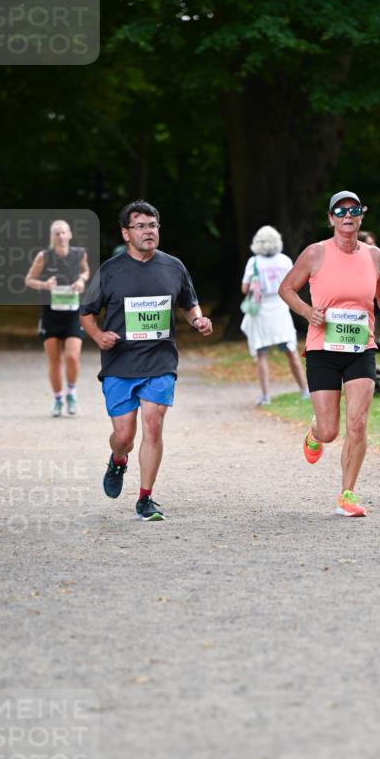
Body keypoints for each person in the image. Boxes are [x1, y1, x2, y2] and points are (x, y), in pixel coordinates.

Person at [79, 200, 213, 521]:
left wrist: (198, 319)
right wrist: (98, 336)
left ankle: (145, 498)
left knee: (153, 426)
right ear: (126, 233)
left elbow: (189, 304)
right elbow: (86, 313)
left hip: (160, 361)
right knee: (124, 436)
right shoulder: (110, 271)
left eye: (152, 226)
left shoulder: (173, 267)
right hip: (120, 364)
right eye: (140, 226)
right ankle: (118, 459)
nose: (148, 231)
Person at [278, 190, 380, 517]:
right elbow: (286, 288)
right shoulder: (316, 253)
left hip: (361, 348)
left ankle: (347, 494)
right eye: (340, 211)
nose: (347, 216)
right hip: (323, 349)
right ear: (331, 218)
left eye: (353, 210)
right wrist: (307, 312)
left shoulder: (375, 256)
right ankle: (315, 432)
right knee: (330, 430)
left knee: (357, 423)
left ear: (361, 216)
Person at [25, 220, 90, 416]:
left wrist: (81, 280)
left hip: (73, 315)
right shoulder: (44, 256)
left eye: (63, 232)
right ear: (52, 237)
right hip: (50, 315)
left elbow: (85, 271)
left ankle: (71, 393)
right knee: (54, 361)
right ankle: (58, 399)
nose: (60, 236)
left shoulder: (79, 254)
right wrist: (45, 285)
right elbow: (29, 280)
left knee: (72, 357)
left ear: (70, 235)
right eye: (56, 233)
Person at [240, 225, 309, 405]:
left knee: (261, 353)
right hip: (280, 308)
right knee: (291, 351)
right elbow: (295, 284)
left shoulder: (254, 262)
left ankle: (265, 396)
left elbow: (245, 288)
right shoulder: (285, 260)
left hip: (261, 309)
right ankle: (304, 389)